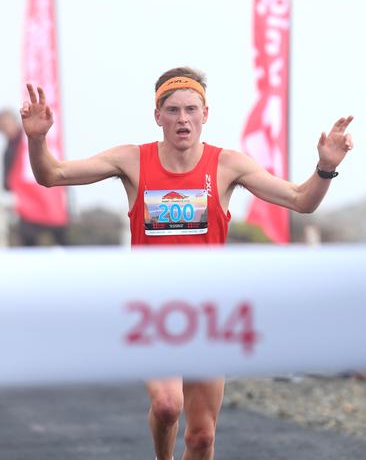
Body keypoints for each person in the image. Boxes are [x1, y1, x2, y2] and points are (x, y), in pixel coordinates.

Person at [21, 67, 353, 460]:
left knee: (202, 439)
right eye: (173, 110)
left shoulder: (228, 165)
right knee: (166, 405)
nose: (183, 119)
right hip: (152, 308)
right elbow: (51, 175)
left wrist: (326, 168)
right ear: (157, 115)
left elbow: (301, 200)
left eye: (191, 110)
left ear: (205, 114)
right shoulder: (132, 160)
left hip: (207, 311)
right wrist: (37, 139)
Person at [0, 109, 68, 246]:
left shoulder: (30, 140)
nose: (4, 130)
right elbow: (8, 176)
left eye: (5, 125)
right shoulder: (10, 147)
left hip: (45, 194)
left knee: (59, 237)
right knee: (28, 239)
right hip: (27, 202)